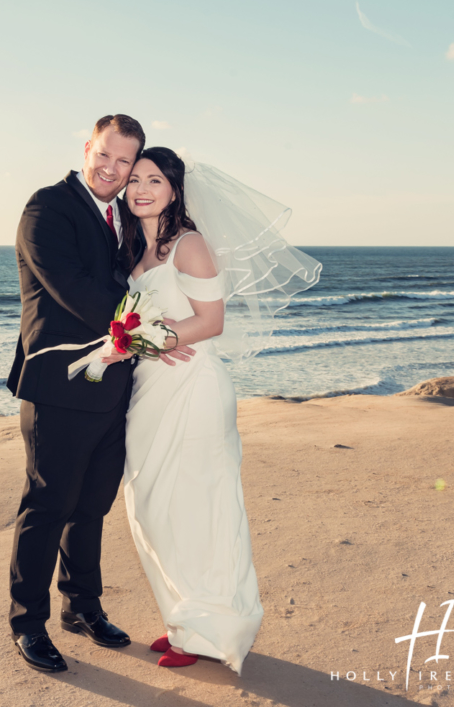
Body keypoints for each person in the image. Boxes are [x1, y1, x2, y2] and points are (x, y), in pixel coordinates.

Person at [104, 146, 319, 675]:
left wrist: (150, 339)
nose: (141, 189)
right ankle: (186, 618)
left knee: (197, 507)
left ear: (176, 189)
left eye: (155, 180)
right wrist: (144, 343)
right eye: (135, 181)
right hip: (154, 387)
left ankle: (210, 629)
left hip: (193, 386)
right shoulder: (140, 247)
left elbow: (212, 321)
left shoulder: (189, 244)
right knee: (154, 506)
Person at [4, 116, 195, 672]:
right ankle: (27, 623)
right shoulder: (47, 209)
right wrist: (153, 331)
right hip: (60, 384)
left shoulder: (125, 217)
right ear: (87, 148)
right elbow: (75, 292)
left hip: (117, 385)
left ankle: (82, 608)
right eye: (105, 157)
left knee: (91, 508)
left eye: (124, 164)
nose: (113, 171)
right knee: (46, 506)